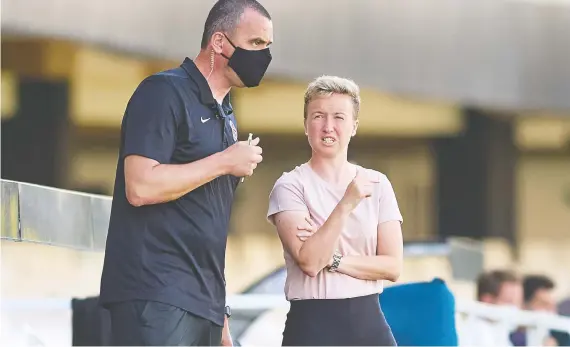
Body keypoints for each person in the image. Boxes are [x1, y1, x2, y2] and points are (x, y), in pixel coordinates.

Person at [98, 0, 273, 345]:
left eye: (268, 47)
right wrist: (224, 162)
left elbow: (207, 220)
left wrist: (220, 313)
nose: (264, 57)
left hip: (203, 303)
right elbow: (140, 185)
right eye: (256, 44)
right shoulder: (163, 92)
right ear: (220, 43)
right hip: (155, 295)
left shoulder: (225, 115)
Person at [267, 75, 404, 346]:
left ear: (354, 126)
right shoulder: (290, 186)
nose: (328, 127)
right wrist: (347, 203)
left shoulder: (377, 183)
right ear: (306, 124)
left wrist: (334, 259)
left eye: (339, 117)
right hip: (313, 325)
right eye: (318, 116)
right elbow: (310, 262)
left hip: (369, 323)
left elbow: (392, 266)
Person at [461, 269, 523, 346]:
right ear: (487, 300)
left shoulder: (501, 332)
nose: (515, 308)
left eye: (518, 303)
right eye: (509, 301)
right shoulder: (475, 333)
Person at [511, 275, 560, 346]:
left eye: (552, 305)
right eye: (544, 304)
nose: (551, 310)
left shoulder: (549, 336)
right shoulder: (513, 338)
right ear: (524, 305)